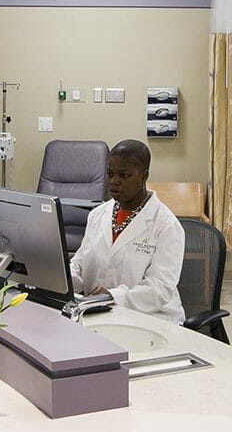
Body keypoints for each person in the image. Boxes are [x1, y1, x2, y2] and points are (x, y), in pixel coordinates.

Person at [69, 139, 186, 324]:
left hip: (153, 319)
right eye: (110, 174)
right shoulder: (98, 215)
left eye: (124, 176)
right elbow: (80, 265)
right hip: (99, 313)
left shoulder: (166, 225)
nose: (114, 181)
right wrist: (60, 279)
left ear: (144, 176)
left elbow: (160, 289)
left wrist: (113, 296)